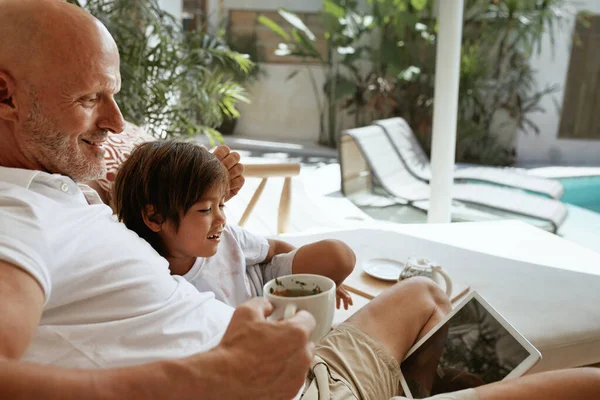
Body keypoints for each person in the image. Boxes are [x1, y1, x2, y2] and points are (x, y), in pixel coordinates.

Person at [0, 1, 598, 399]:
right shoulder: (15, 214)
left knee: (421, 293)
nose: (115, 119)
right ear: (5, 95)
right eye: (88, 98)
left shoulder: (53, 190)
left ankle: (417, 383)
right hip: (287, 390)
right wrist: (209, 377)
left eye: (114, 95)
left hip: (295, 366)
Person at [112, 140, 355, 308]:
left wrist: (326, 278)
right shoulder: (150, 275)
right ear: (155, 218)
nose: (221, 219)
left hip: (265, 283)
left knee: (339, 255)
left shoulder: (228, 237)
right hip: (245, 326)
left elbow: (273, 249)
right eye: (206, 209)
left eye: (222, 205)